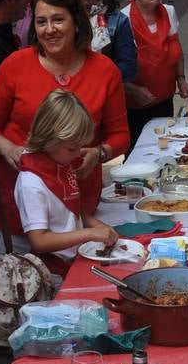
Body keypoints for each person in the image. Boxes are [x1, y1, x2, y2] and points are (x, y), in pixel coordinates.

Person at [0, 0, 130, 245]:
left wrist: (99, 153)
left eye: (58, 19)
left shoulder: (105, 71)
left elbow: (120, 135)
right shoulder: (14, 66)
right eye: (41, 22)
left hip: (77, 209)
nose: (49, 29)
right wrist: (6, 147)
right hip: (17, 206)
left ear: (76, 23)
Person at [16, 90, 120, 277]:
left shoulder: (59, 162)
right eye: (72, 148)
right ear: (48, 139)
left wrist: (98, 226)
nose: (77, 154)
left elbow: (71, 212)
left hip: (76, 260)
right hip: (55, 270)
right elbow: (39, 240)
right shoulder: (31, 182)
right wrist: (89, 234)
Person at [121, 0, 188, 144]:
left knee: (164, 146)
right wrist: (133, 90)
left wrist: (181, 78)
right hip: (134, 106)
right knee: (137, 151)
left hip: (165, 99)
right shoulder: (123, 20)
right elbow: (112, 70)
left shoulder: (169, 12)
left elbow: (177, 49)